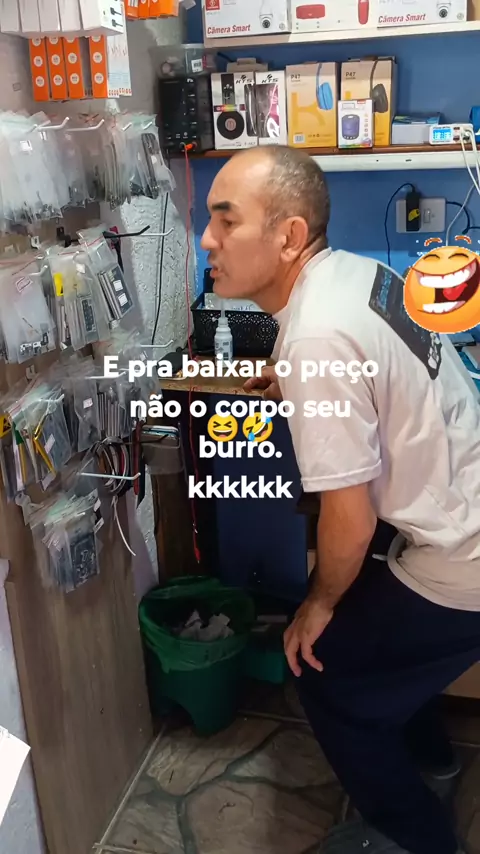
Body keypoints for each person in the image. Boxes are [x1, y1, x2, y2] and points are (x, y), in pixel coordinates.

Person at [200, 145, 480, 854]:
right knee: (377, 645)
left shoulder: (316, 335)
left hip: (465, 552)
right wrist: (292, 377)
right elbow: (371, 363)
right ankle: (432, 761)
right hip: (460, 501)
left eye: (226, 221)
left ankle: (417, 837)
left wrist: (316, 606)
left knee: (331, 675)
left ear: (289, 236)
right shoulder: (358, 272)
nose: (207, 240)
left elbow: (348, 521)